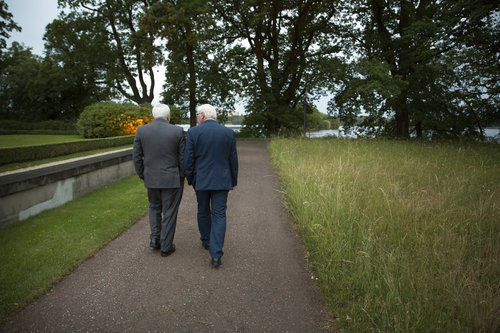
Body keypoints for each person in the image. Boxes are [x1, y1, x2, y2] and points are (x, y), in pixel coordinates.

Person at [184, 104, 238, 268]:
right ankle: (216, 254)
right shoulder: (228, 133)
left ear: (202, 115)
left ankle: (206, 240)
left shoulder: (193, 132)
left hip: (202, 180)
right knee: (219, 215)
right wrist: (233, 180)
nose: (197, 117)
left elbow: (188, 160)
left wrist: (191, 179)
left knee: (203, 210)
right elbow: (233, 160)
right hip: (222, 180)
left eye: (197, 114)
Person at [133, 104, 185, 257]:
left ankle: (155, 238)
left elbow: (136, 156)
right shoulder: (177, 130)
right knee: (169, 212)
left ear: (153, 116)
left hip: (152, 177)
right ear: (168, 116)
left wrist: (143, 174)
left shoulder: (142, 130)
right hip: (171, 178)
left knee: (154, 207)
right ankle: (166, 246)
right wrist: (181, 175)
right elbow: (183, 157)